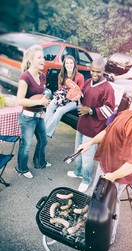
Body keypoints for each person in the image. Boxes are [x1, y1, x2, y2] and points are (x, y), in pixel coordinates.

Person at [75, 74, 132, 244]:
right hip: (106, 167)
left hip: (116, 175)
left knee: (110, 207)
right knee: (96, 200)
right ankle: (90, 224)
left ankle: (108, 238)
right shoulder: (128, 111)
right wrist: (90, 143)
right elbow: (107, 132)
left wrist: (112, 177)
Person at [67, 57, 115, 192]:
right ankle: (77, 172)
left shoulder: (108, 89)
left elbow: (109, 110)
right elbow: (82, 98)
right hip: (81, 124)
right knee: (77, 150)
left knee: (87, 156)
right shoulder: (88, 82)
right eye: (93, 71)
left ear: (103, 71)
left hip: (93, 129)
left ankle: (86, 179)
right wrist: (77, 97)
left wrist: (91, 110)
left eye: (98, 72)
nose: (95, 74)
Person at [15, 45, 51, 179]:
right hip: (27, 118)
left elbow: (41, 95)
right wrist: (39, 102)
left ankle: (39, 162)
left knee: (43, 140)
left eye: (43, 57)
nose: (43, 60)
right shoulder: (25, 77)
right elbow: (20, 100)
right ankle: (22, 168)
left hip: (39, 115)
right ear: (30, 60)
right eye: (39, 57)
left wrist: (45, 101)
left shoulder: (42, 76)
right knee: (26, 145)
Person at [45, 55, 84, 137]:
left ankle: (46, 132)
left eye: (71, 63)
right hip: (62, 98)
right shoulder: (61, 75)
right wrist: (61, 99)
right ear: (64, 65)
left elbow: (80, 93)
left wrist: (69, 98)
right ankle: (46, 129)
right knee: (50, 106)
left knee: (60, 110)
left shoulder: (80, 76)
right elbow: (60, 89)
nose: (69, 65)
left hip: (74, 102)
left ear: (74, 64)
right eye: (67, 63)